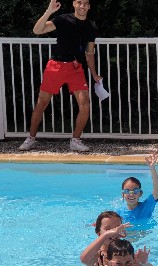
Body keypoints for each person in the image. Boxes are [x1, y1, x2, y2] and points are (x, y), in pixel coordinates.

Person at [18, 0, 102, 152]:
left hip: (75, 68)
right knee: (41, 103)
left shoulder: (91, 27)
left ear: (89, 6)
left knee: (85, 105)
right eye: (79, 2)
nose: (82, 6)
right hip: (55, 66)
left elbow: (89, 53)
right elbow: (37, 30)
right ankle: (31, 138)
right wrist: (49, 11)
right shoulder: (63, 19)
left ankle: (75, 140)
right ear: (74, 4)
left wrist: (94, 74)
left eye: (86, 3)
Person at [80, 211, 153, 266]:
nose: (114, 232)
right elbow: (84, 259)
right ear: (99, 233)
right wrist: (106, 235)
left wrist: (145, 263)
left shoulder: (123, 252)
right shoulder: (96, 255)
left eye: (117, 228)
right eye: (108, 229)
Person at [116, 153, 158, 223]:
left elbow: (157, 190)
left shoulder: (146, 207)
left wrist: (152, 168)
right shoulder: (118, 212)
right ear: (123, 194)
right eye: (127, 191)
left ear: (140, 193)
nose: (131, 194)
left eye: (135, 191)